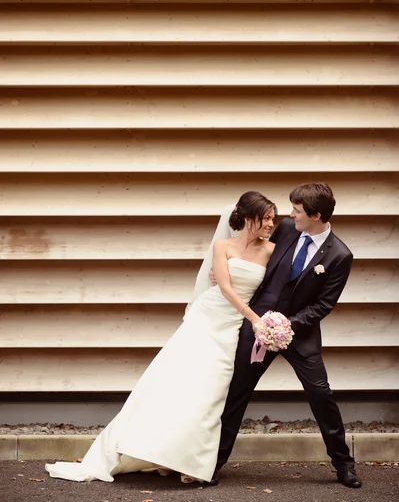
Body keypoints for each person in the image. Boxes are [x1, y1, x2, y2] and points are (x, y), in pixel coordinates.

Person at [45, 191, 277, 485]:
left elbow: (272, 285)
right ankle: (136, 447)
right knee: (170, 382)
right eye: (265, 217)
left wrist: (263, 319)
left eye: (273, 217)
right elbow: (225, 287)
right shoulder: (222, 246)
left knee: (211, 392)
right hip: (206, 319)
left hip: (232, 327)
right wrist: (252, 316)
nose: (271, 223)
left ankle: (190, 462)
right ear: (246, 218)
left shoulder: (271, 251)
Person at [207, 182, 362, 489]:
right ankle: (214, 462)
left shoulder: (340, 255)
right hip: (257, 323)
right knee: (236, 391)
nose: (289, 215)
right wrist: (226, 271)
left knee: (321, 394)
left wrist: (287, 325)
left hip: (299, 333)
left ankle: (344, 464)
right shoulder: (288, 229)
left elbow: (324, 305)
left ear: (316, 215)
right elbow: (258, 255)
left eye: (297, 210)